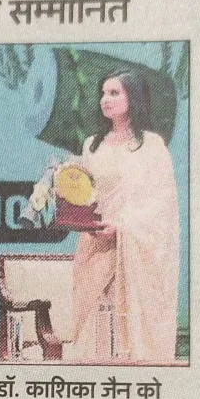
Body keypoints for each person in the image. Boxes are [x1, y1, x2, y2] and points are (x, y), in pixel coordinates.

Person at [71, 70, 179, 362]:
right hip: (95, 245)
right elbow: (85, 195)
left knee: (128, 336)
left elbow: (162, 203)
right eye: (103, 93)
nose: (105, 99)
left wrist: (122, 227)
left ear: (134, 97)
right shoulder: (92, 145)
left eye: (114, 93)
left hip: (134, 248)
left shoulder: (152, 146)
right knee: (90, 328)